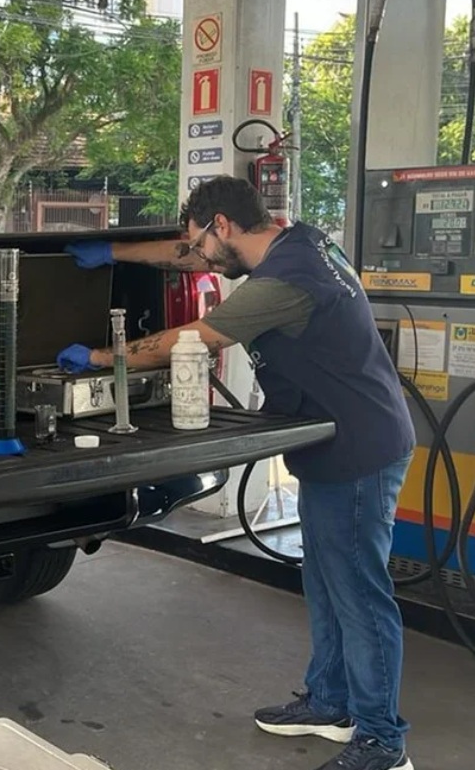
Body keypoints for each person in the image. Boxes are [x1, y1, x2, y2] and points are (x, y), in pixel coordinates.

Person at [58, 176, 416, 770]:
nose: (198, 258)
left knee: (358, 593)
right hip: (333, 440)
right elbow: (186, 253)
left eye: (202, 243)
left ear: (222, 225)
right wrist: (112, 252)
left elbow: (192, 340)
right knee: (326, 581)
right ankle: (331, 702)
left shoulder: (284, 283)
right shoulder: (298, 241)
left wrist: (100, 357)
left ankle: (383, 740)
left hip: (359, 450)